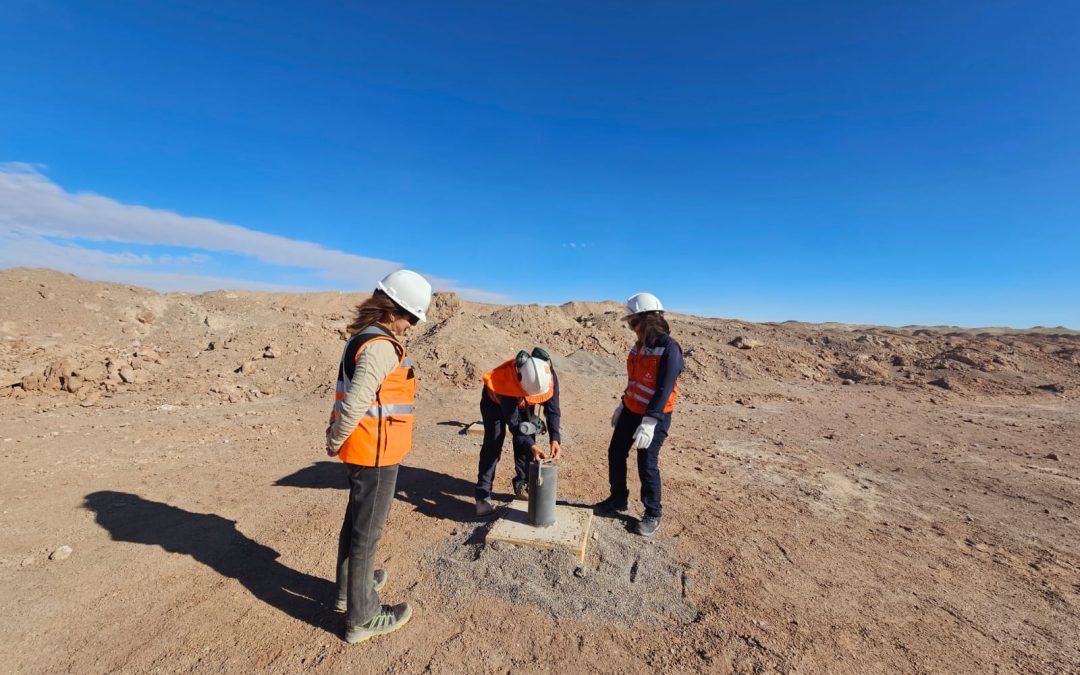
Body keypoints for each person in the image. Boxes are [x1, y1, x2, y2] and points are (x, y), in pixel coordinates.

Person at [325, 269, 432, 644]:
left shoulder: (363, 339)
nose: (412, 325)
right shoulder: (381, 346)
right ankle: (363, 616)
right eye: (411, 317)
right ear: (391, 310)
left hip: (368, 449)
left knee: (356, 525)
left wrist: (336, 434)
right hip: (375, 454)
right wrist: (336, 438)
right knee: (366, 534)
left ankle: (348, 590)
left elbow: (345, 390)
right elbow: (355, 401)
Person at [595, 292, 684, 537]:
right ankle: (618, 498)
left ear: (646, 319)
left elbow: (664, 388)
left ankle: (652, 512)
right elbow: (635, 380)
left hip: (654, 417)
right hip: (631, 410)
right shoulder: (639, 347)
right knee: (615, 453)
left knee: (646, 463)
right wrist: (623, 403)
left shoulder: (669, 348)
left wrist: (650, 420)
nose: (631, 327)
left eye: (633, 322)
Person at [474, 347, 562, 516]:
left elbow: (553, 410)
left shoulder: (547, 376)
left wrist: (555, 439)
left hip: (522, 402)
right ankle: (482, 495)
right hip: (495, 404)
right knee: (493, 444)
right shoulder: (506, 381)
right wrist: (532, 445)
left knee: (527, 442)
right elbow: (514, 424)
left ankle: (522, 485)